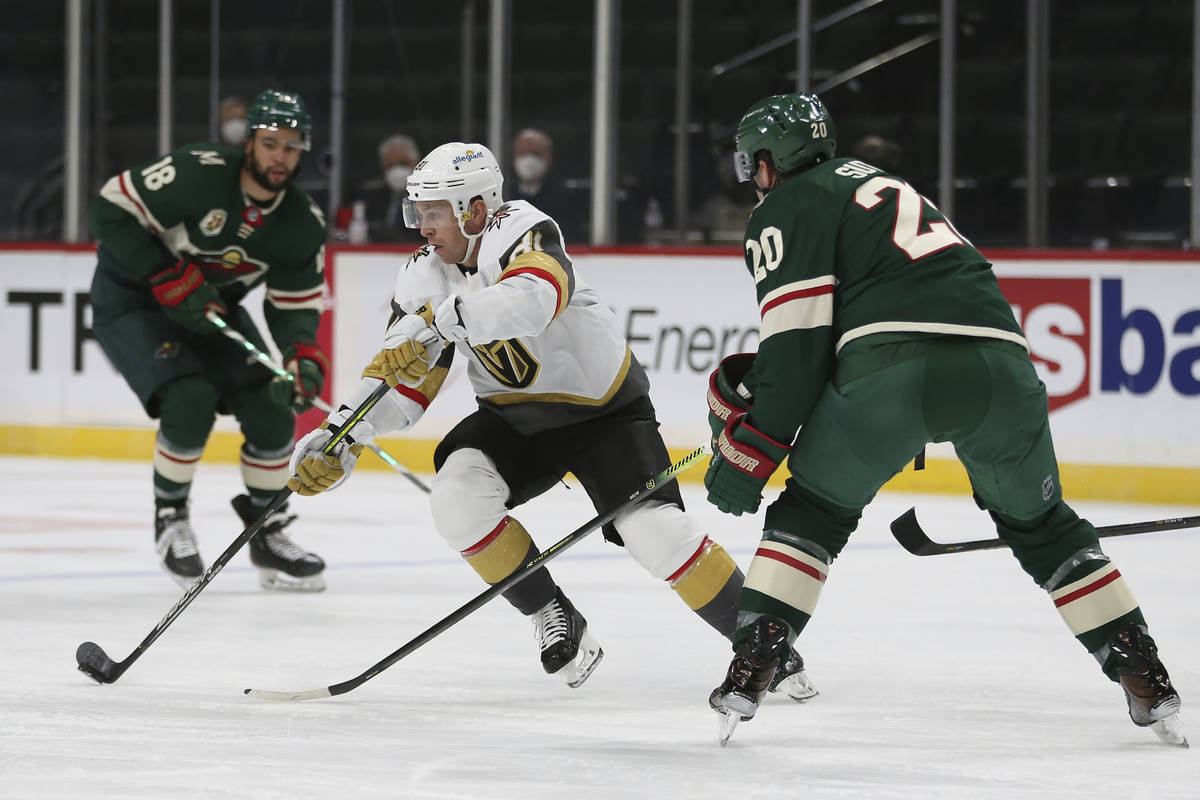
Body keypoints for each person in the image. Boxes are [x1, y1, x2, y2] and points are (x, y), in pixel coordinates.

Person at [703, 92, 1186, 748]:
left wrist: (750, 451)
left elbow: (795, 352)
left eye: (754, 162)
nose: (751, 177)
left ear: (772, 161)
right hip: (1002, 368)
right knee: (1045, 527)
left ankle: (756, 658)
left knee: (810, 514)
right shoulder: (888, 186)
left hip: (891, 374)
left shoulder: (786, 206)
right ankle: (1140, 667)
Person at [285, 141, 815, 698]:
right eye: (416, 212)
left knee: (656, 535)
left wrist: (442, 322)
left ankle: (762, 646)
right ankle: (551, 612)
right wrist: (347, 430)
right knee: (457, 500)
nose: (421, 226)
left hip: (605, 415)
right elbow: (408, 384)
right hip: (514, 422)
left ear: (474, 208)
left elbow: (534, 300)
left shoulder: (523, 226)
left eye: (433, 212)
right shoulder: (423, 274)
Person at [89, 88, 330, 592]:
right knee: (189, 397)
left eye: (291, 147)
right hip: (133, 301)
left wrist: (301, 353)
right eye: (270, 144)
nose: (280, 157)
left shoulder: (301, 223)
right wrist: (161, 271)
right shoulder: (196, 172)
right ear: (250, 143)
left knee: (271, 400)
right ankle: (171, 518)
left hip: (208, 309)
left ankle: (268, 530)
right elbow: (110, 207)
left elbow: (294, 305)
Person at [509, 128, 584, 243]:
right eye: (523, 153)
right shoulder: (504, 195)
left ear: (549, 157)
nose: (529, 160)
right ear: (514, 156)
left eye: (536, 154)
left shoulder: (566, 199)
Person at [356, 134, 424, 243]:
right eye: (390, 166)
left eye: (403, 163)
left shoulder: (429, 198)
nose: (397, 171)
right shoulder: (374, 199)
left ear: (417, 163)